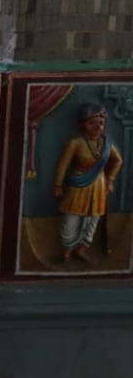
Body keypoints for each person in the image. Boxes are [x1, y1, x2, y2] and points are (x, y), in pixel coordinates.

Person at [53, 102, 123, 265]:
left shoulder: (106, 144)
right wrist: (57, 185)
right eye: (92, 123)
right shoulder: (75, 143)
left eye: (101, 123)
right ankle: (67, 249)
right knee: (70, 221)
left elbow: (118, 160)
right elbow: (63, 165)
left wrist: (110, 179)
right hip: (78, 187)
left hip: (99, 186)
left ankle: (82, 249)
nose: (98, 127)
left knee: (92, 220)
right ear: (82, 124)